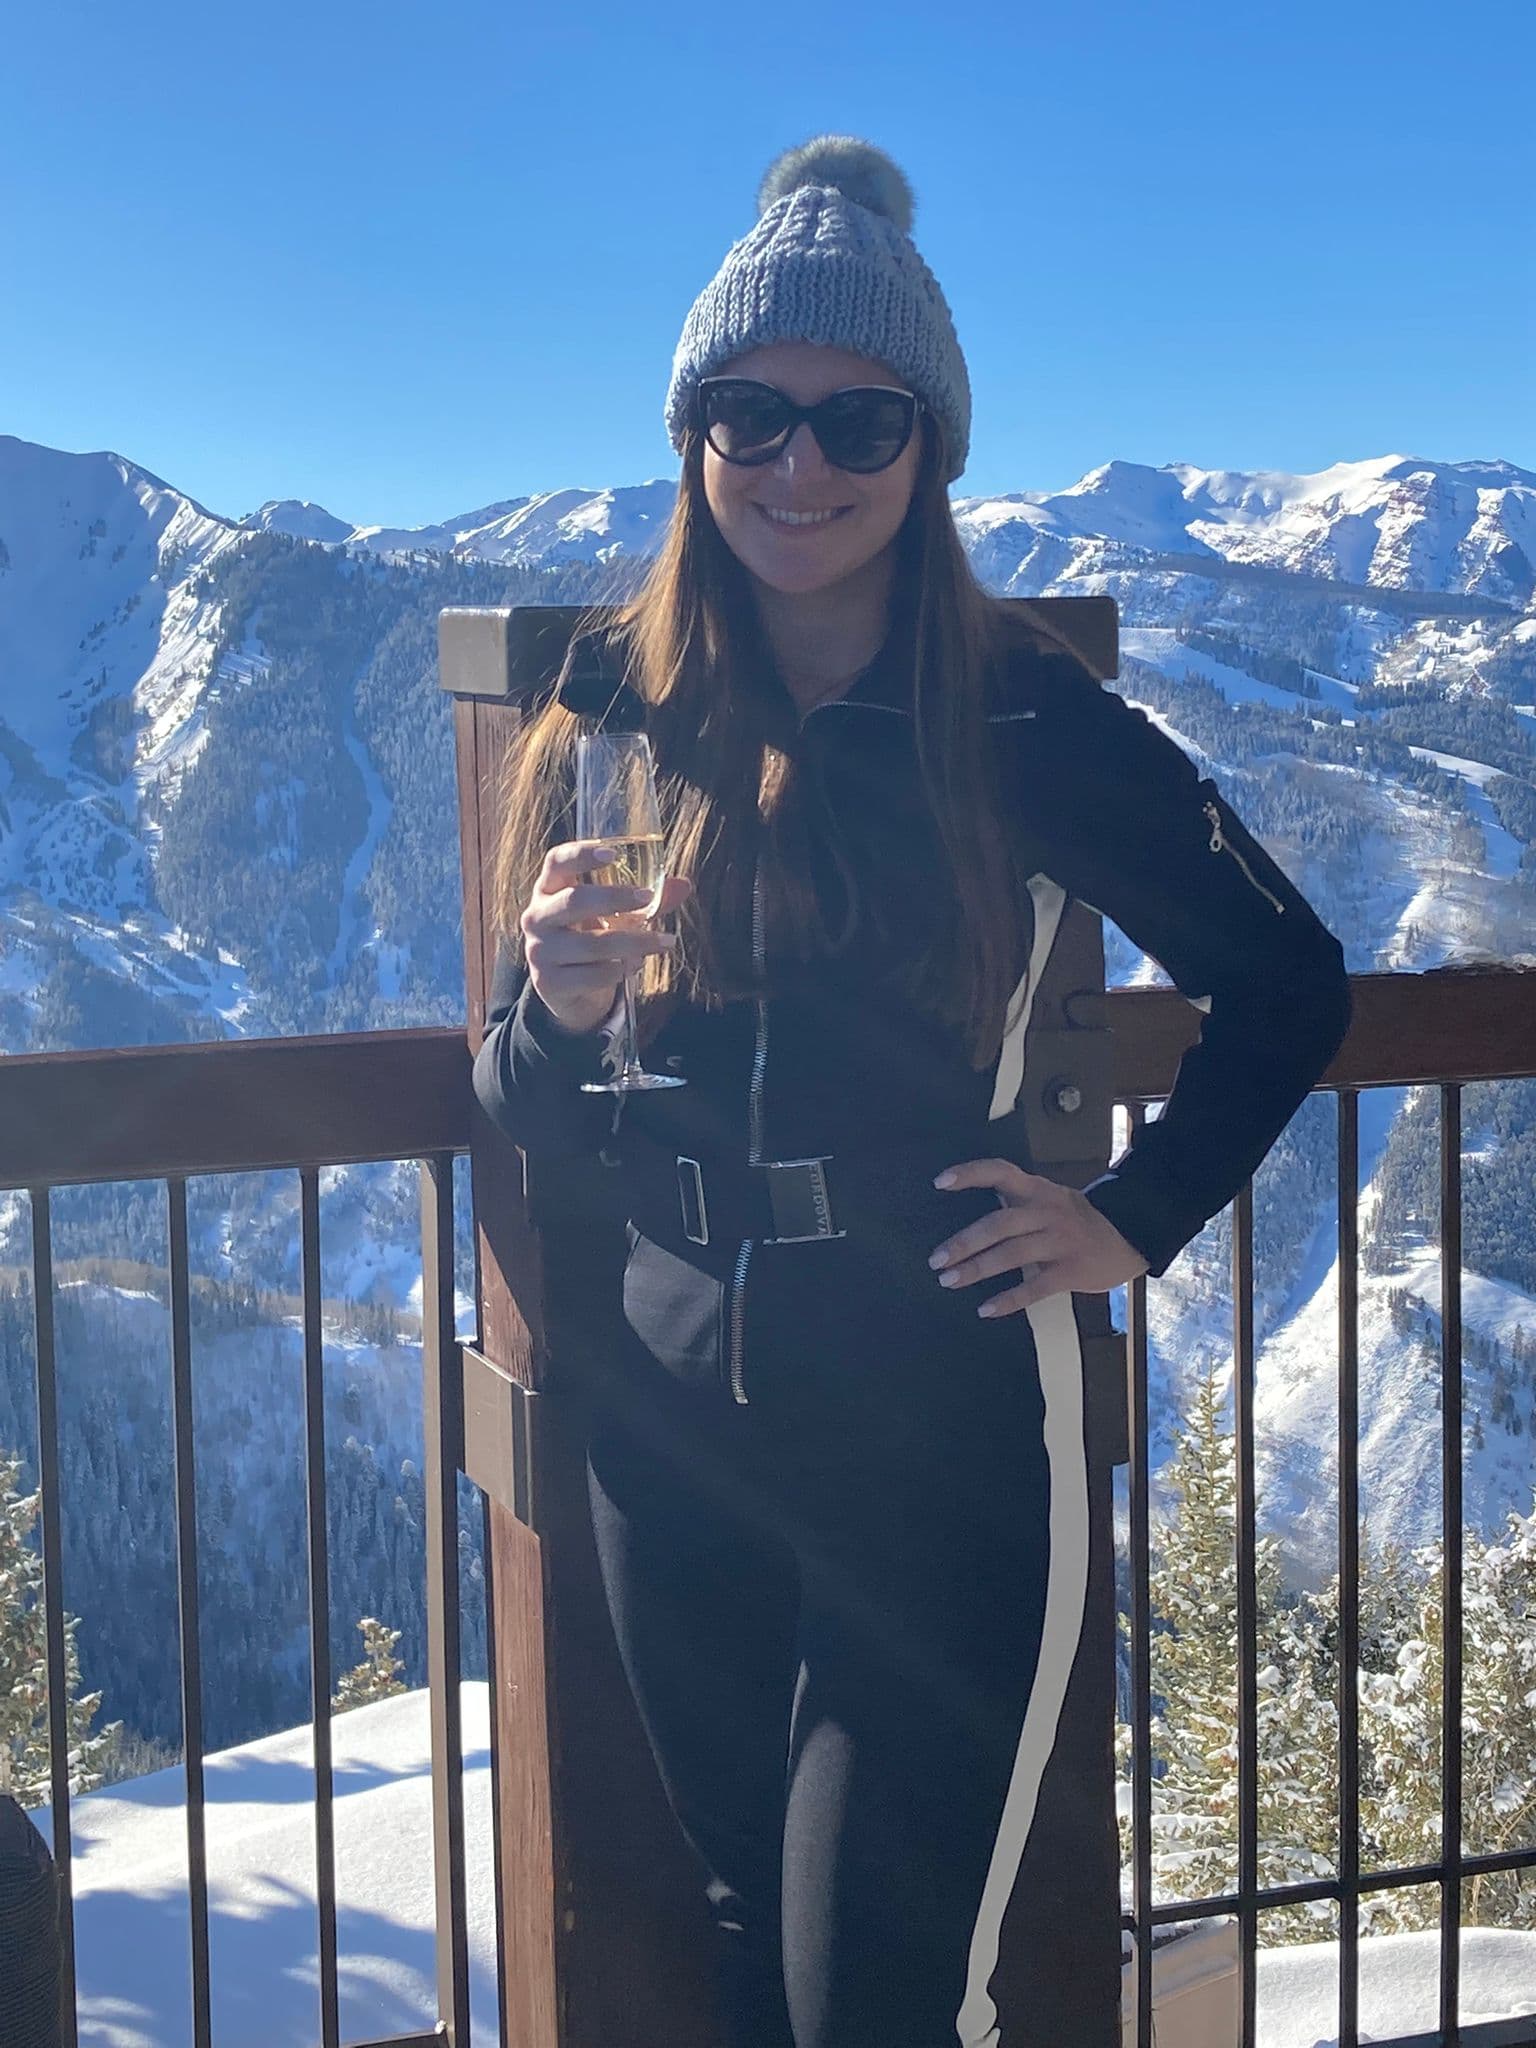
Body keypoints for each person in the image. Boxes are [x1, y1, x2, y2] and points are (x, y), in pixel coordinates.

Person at [472, 135, 1353, 2048]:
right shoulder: (609, 711)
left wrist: (1131, 1216)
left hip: (936, 1418)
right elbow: (524, 1104)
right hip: (666, 1423)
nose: (799, 469)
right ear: (694, 436)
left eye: (859, 425)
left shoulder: (1020, 715)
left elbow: (1288, 978)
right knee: (734, 1943)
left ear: (930, 454)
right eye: (750, 417)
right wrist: (547, 1016)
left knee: (876, 1997)